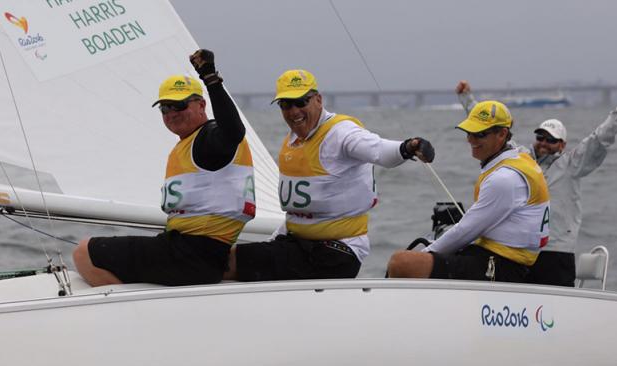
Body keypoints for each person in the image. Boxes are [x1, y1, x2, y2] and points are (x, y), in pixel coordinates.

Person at [223, 69, 435, 281]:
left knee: (225, 264)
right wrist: (274, 239)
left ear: (318, 100)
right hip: (298, 245)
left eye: (301, 102)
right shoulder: (293, 139)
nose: (294, 111)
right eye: (286, 105)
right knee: (224, 259)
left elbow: (380, 151)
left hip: (336, 252)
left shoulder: (341, 133)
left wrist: (408, 147)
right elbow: (296, 215)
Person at [72, 49, 256, 287]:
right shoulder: (187, 143)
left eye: (178, 105)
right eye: (164, 108)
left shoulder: (210, 139)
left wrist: (210, 78)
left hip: (193, 255)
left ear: (201, 105)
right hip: (194, 252)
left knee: (84, 253)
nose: (171, 113)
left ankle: (128, 315)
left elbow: (233, 130)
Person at [455, 80, 617, 286]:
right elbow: (489, 129)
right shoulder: (519, 157)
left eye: (551, 139)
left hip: (556, 252)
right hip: (520, 251)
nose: (544, 143)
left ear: (562, 144)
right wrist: (467, 98)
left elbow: (600, 138)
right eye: (540, 137)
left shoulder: (573, 164)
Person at [386, 100, 550, 282]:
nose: (471, 140)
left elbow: (466, 230)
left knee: (401, 262)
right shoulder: (519, 155)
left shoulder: (505, 179)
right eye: (469, 132)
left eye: (479, 134)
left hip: (505, 266)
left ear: (502, 134)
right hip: (496, 256)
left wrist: (424, 254)